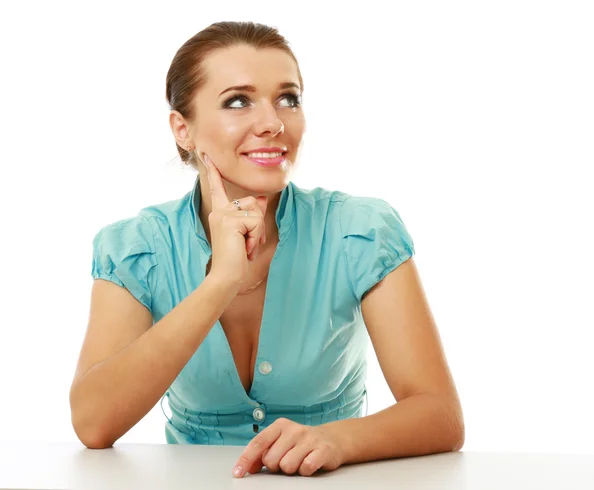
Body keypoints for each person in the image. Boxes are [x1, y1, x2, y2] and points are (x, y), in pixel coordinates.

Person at [69, 21, 465, 478]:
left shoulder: (360, 230)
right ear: (183, 129)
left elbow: (441, 416)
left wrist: (337, 440)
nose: (274, 122)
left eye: (288, 99)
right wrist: (219, 282)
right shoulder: (137, 247)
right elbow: (93, 424)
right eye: (238, 100)